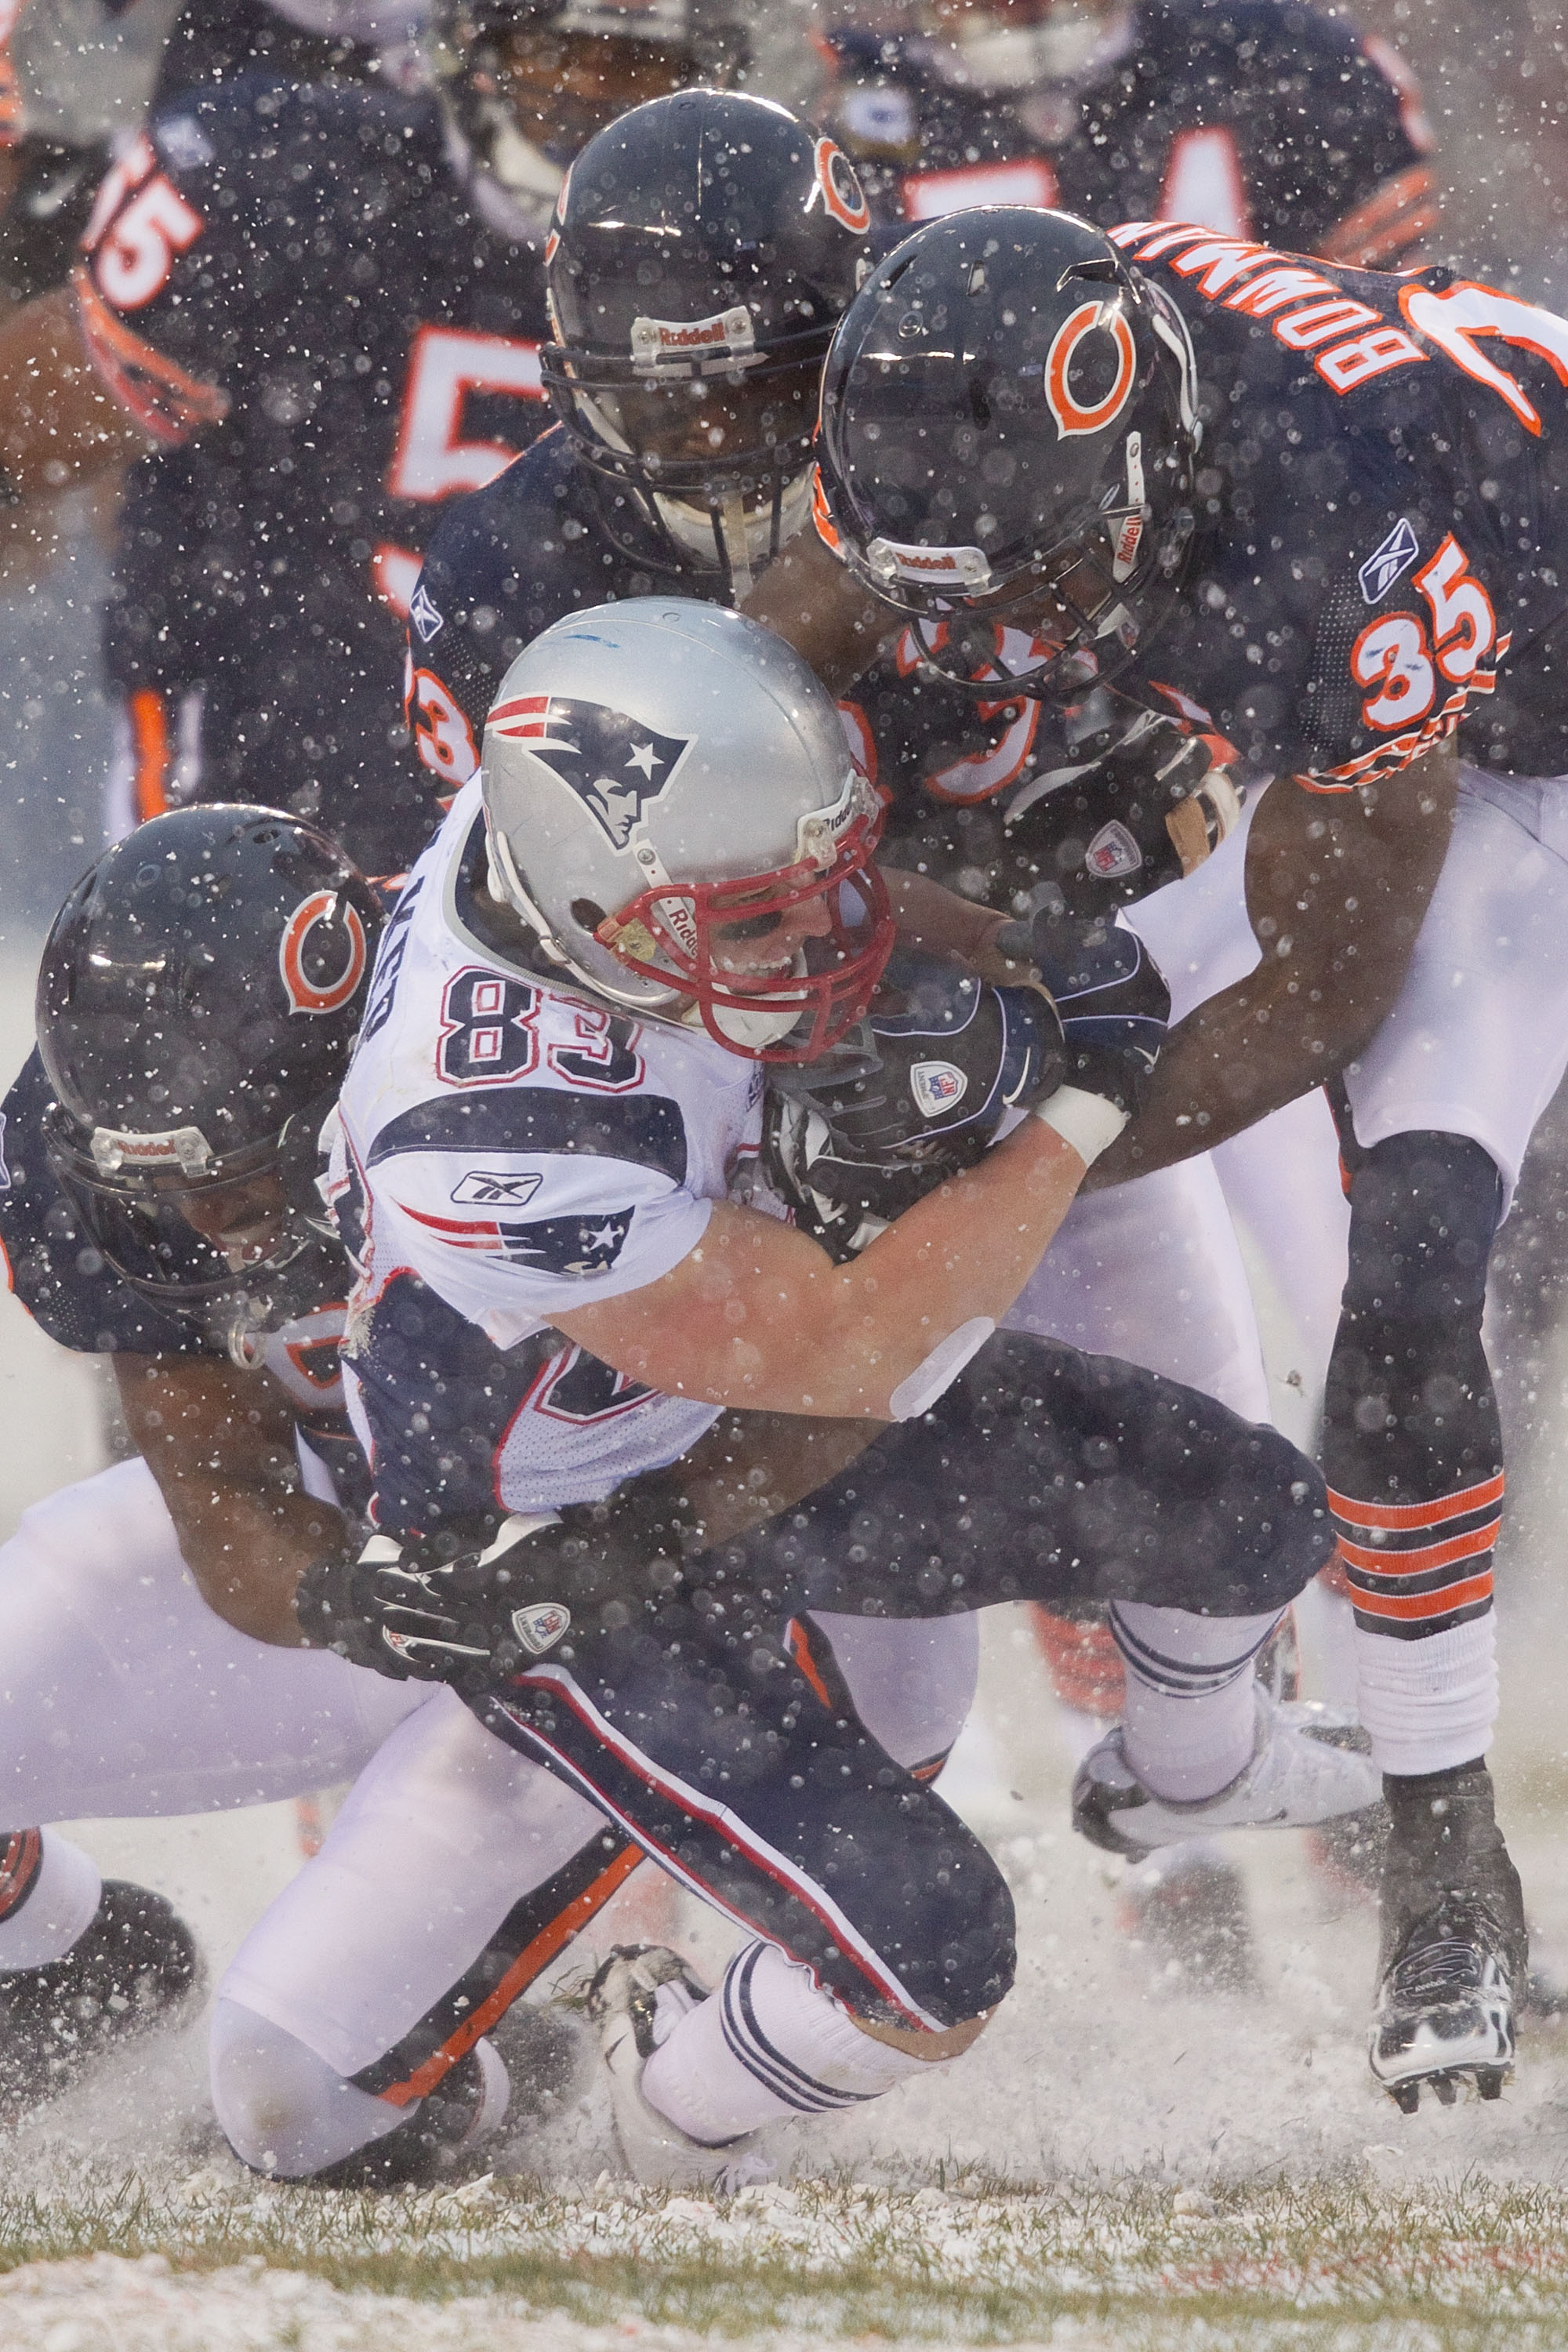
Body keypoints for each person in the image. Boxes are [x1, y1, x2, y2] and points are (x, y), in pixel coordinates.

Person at [405, 84, 1334, 1982]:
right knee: (872, 1650)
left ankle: (1216, 1879)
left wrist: (1138, 784)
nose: (698, 442)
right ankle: (678, 1957)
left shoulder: (957, 439)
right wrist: (995, 902)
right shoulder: (517, 581)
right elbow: (629, 916)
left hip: (1017, 1048)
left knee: (1208, 1473)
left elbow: (1167, 657)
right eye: (650, 394)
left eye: (751, 389)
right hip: (758, 1128)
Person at [307, 595, 1380, 2182]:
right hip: (574, 1548)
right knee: (928, 1959)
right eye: (752, 928)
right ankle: (670, 2111)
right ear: (602, 921)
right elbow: (854, 1348)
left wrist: (1010, 951)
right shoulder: (491, 1132)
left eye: (807, 892)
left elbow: (823, 889)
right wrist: (1074, 1102)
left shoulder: (563, 823)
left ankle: (1192, 1768)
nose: (816, 950)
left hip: (732, 1415)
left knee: (1251, 1515)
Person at [791, 199, 1568, 2107]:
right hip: (1348, 714)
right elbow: (816, 609)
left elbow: (1318, 990)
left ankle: (1445, 1848)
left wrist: (1014, 1158)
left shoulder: (1333, 512)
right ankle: (1188, 1733)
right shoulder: (975, 357)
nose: (995, 639)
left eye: (1040, 575)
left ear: (1146, 468)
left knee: (1402, 1273)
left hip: (1514, 752)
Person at [0, 800, 982, 2182]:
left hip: (659, 1600)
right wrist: (362, 1594)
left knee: (289, 2100)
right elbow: (220, 1490)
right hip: (410, 1572)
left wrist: (595, 1562)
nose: (209, 1224)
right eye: (172, 1186)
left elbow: (836, 1376)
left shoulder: (547, 1075)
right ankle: (59, 1955)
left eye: (235, 1172)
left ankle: (582, 2076)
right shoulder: (132, 1135)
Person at [68, 0, 746, 869]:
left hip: (576, 814)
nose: (590, 101)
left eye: (635, 69)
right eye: (557, 58)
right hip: (271, 758)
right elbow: (69, 429)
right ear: (473, 51)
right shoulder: (285, 176)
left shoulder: (728, 262)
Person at [820, 0, 1436, 265]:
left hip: (1257, 476)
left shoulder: (1280, 60)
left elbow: (1375, 334)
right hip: (969, 496)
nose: (1025, 13)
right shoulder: (838, 107)